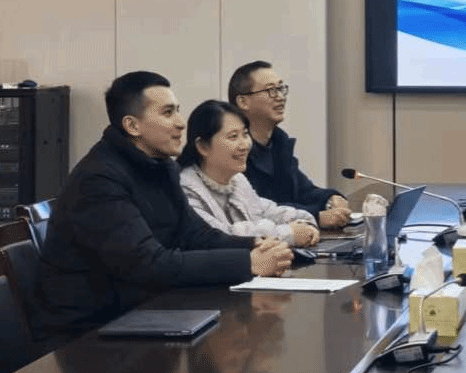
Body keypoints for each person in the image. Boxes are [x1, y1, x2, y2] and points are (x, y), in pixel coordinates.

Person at [32, 71, 294, 341]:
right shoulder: (99, 180)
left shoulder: (162, 166)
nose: (181, 123)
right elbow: (148, 264)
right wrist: (248, 262)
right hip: (88, 335)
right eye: (168, 113)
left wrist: (255, 245)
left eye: (177, 110)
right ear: (133, 126)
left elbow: (195, 235)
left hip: (144, 313)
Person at [178, 99, 321, 247]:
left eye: (245, 134)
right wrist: (288, 234)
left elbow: (267, 211)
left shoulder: (237, 180)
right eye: (233, 137)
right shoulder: (186, 190)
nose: (245, 145)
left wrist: (305, 223)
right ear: (202, 146)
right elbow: (221, 237)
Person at [228, 60, 351, 228]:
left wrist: (330, 199)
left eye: (281, 88)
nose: (280, 97)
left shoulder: (279, 142)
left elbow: (303, 191)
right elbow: (259, 208)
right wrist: (315, 216)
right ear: (243, 102)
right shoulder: (234, 152)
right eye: (271, 90)